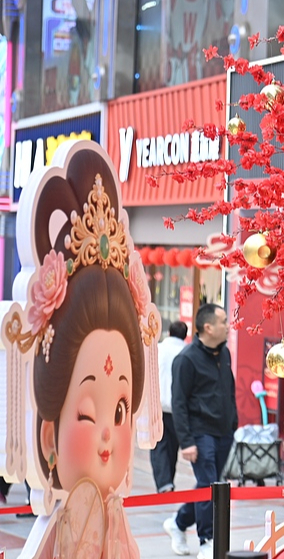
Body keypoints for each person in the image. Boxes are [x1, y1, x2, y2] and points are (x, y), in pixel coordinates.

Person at [8, 150, 156, 559]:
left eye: (120, 411)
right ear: (48, 436)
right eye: (87, 414)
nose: (107, 433)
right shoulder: (56, 536)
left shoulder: (118, 528)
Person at [164, 304, 237, 559]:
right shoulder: (186, 359)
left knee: (211, 484)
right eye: (223, 321)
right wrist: (186, 441)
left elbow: (229, 389)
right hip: (200, 431)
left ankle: (179, 522)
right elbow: (178, 403)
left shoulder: (224, 353)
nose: (227, 326)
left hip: (224, 431)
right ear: (208, 327)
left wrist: (233, 422)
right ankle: (207, 539)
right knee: (209, 484)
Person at [151, 321, 189, 493]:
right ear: (185, 335)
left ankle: (164, 483)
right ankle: (168, 480)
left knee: (159, 445)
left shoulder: (157, 349)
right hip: (178, 408)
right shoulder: (187, 352)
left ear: (169, 333)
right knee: (172, 446)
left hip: (157, 405)